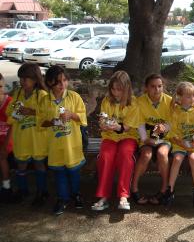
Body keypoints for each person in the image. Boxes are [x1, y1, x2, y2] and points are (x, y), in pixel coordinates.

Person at [37, 66, 87, 215]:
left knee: (74, 172)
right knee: (60, 173)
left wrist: (72, 115)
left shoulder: (74, 97)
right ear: (50, 82)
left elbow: (83, 118)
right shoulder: (45, 100)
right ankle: (62, 198)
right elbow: (40, 122)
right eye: (58, 81)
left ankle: (76, 193)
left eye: (65, 80)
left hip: (72, 144)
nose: (62, 84)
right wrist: (52, 121)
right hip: (55, 145)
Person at [91, 71, 139, 211]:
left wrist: (117, 126)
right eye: (113, 89)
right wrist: (103, 124)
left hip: (127, 136)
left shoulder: (133, 102)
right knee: (105, 157)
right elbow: (102, 118)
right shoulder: (107, 100)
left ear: (126, 89)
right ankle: (103, 196)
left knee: (125, 155)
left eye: (119, 89)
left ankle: (123, 196)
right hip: (110, 137)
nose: (116, 92)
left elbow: (126, 127)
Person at [6, 63, 48, 205]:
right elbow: (9, 114)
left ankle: (41, 191)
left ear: (35, 79)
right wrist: (16, 113)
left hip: (37, 139)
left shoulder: (42, 95)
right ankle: (23, 190)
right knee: (21, 165)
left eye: (25, 79)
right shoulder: (17, 94)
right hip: (21, 137)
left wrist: (32, 112)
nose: (22, 82)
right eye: (21, 79)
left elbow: (48, 115)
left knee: (39, 164)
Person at [131, 74, 172, 205]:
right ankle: (134, 188)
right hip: (146, 138)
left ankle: (164, 189)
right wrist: (145, 139)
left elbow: (173, 122)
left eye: (160, 86)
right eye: (153, 86)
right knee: (146, 154)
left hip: (164, 139)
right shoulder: (139, 101)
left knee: (162, 153)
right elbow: (139, 123)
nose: (157, 89)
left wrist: (164, 127)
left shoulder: (170, 101)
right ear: (146, 88)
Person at [164, 81, 194, 208]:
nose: (191, 98)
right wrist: (179, 141)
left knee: (192, 158)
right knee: (177, 159)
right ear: (179, 97)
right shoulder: (175, 111)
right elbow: (172, 131)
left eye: (193, 96)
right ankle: (170, 189)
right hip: (179, 142)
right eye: (188, 96)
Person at [0, 73, 14, 202]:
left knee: (1, 155)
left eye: (0, 86)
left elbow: (13, 125)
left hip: (9, 139)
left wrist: (5, 145)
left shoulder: (10, 102)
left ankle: (7, 187)